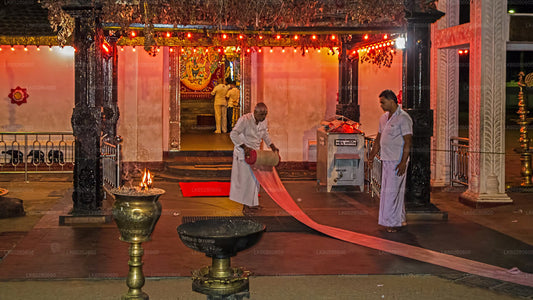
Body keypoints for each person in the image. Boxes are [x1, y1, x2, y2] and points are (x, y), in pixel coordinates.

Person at [368, 89, 412, 233]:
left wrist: (403, 162)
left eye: (383, 102)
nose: (381, 105)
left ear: (392, 101)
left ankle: (392, 223)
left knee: (392, 192)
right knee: (388, 191)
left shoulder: (404, 118)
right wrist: (372, 156)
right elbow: (378, 139)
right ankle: (400, 218)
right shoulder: (384, 118)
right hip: (386, 159)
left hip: (397, 160)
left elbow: (407, 142)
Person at [229, 102, 279, 214]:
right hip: (243, 153)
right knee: (246, 180)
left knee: (255, 180)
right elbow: (233, 134)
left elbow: (265, 134)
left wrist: (272, 146)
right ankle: (245, 206)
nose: (264, 117)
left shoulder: (263, 121)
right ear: (255, 112)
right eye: (261, 114)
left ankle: (253, 204)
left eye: (265, 114)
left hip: (256, 155)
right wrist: (244, 147)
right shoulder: (244, 120)